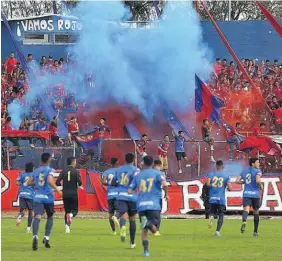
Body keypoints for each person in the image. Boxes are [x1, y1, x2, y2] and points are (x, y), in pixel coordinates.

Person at [128, 156, 168, 257]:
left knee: (144, 229)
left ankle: (146, 251)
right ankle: (149, 224)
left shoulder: (138, 175)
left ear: (143, 163)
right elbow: (165, 184)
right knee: (154, 229)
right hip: (153, 204)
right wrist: (166, 194)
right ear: (152, 164)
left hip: (141, 205)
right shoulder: (158, 173)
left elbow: (129, 190)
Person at [29, 153, 62, 251]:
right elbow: (50, 181)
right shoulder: (51, 170)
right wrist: (58, 190)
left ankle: (35, 236)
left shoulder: (36, 171)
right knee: (50, 216)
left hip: (38, 197)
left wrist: (37, 184)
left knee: (37, 216)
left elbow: (30, 182)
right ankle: (46, 237)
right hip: (48, 197)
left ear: (41, 160)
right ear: (49, 160)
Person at [112, 153, 140, 248]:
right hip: (132, 196)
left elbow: (113, 182)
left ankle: (122, 225)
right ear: (133, 159)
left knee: (123, 214)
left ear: (125, 159)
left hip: (121, 195)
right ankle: (132, 243)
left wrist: (119, 185)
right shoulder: (136, 170)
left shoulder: (118, 169)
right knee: (132, 219)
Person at [235, 158, 263, 236]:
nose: (259, 164)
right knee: (256, 211)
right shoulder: (258, 171)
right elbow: (257, 180)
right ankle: (255, 231)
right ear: (253, 164)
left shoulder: (244, 171)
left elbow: (237, 181)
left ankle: (244, 221)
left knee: (246, 209)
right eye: (257, 162)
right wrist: (261, 185)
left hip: (246, 193)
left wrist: (244, 182)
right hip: (255, 194)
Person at [56, 157, 83, 234]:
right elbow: (80, 182)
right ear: (73, 162)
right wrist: (78, 185)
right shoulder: (76, 171)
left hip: (65, 194)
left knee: (66, 211)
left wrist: (62, 185)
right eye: (75, 161)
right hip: (73, 194)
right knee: (75, 211)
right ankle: (70, 216)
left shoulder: (63, 171)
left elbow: (57, 182)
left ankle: (67, 229)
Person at [207, 160, 231, 236]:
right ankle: (217, 231)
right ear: (222, 166)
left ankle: (211, 218)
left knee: (212, 212)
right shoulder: (226, 175)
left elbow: (207, 184)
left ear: (216, 166)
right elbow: (230, 188)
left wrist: (213, 185)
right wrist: (227, 187)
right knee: (221, 214)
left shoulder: (211, 174)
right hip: (221, 199)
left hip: (212, 198)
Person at [101, 157, 119, 235]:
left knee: (111, 213)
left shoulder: (106, 172)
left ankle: (114, 231)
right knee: (121, 210)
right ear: (117, 163)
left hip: (110, 194)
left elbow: (103, 182)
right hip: (118, 194)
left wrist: (109, 183)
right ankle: (116, 217)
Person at [15, 162, 35, 232]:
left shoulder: (22, 174)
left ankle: (19, 216)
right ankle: (28, 228)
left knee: (23, 210)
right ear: (32, 168)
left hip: (22, 194)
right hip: (30, 195)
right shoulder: (33, 175)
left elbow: (17, 182)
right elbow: (35, 184)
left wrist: (22, 184)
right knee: (31, 211)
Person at [153, 159, 164, 235]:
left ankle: (151, 226)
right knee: (158, 213)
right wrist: (166, 194)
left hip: (149, 195)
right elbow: (164, 184)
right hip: (158, 195)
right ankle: (156, 229)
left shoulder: (149, 172)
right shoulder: (161, 173)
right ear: (160, 165)